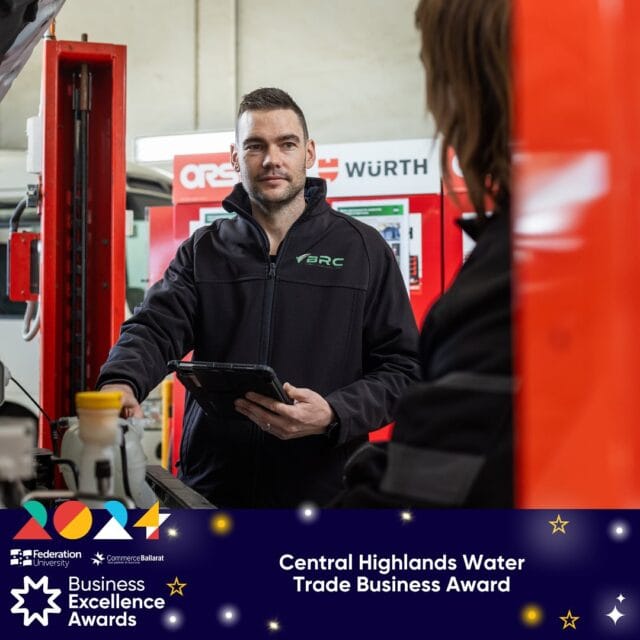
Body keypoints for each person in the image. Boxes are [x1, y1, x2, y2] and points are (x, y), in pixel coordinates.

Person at [97, 88, 420, 508]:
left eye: (286, 144)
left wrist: (334, 412)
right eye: (256, 146)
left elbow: (405, 369)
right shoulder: (204, 251)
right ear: (235, 158)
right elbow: (155, 328)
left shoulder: (363, 250)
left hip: (323, 497)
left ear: (309, 152)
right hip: (209, 493)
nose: (272, 159)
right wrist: (122, 381)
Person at [336, 0, 513, 508]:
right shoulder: (206, 248)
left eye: (433, 70)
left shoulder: (512, 280)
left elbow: (419, 505)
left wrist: (335, 417)